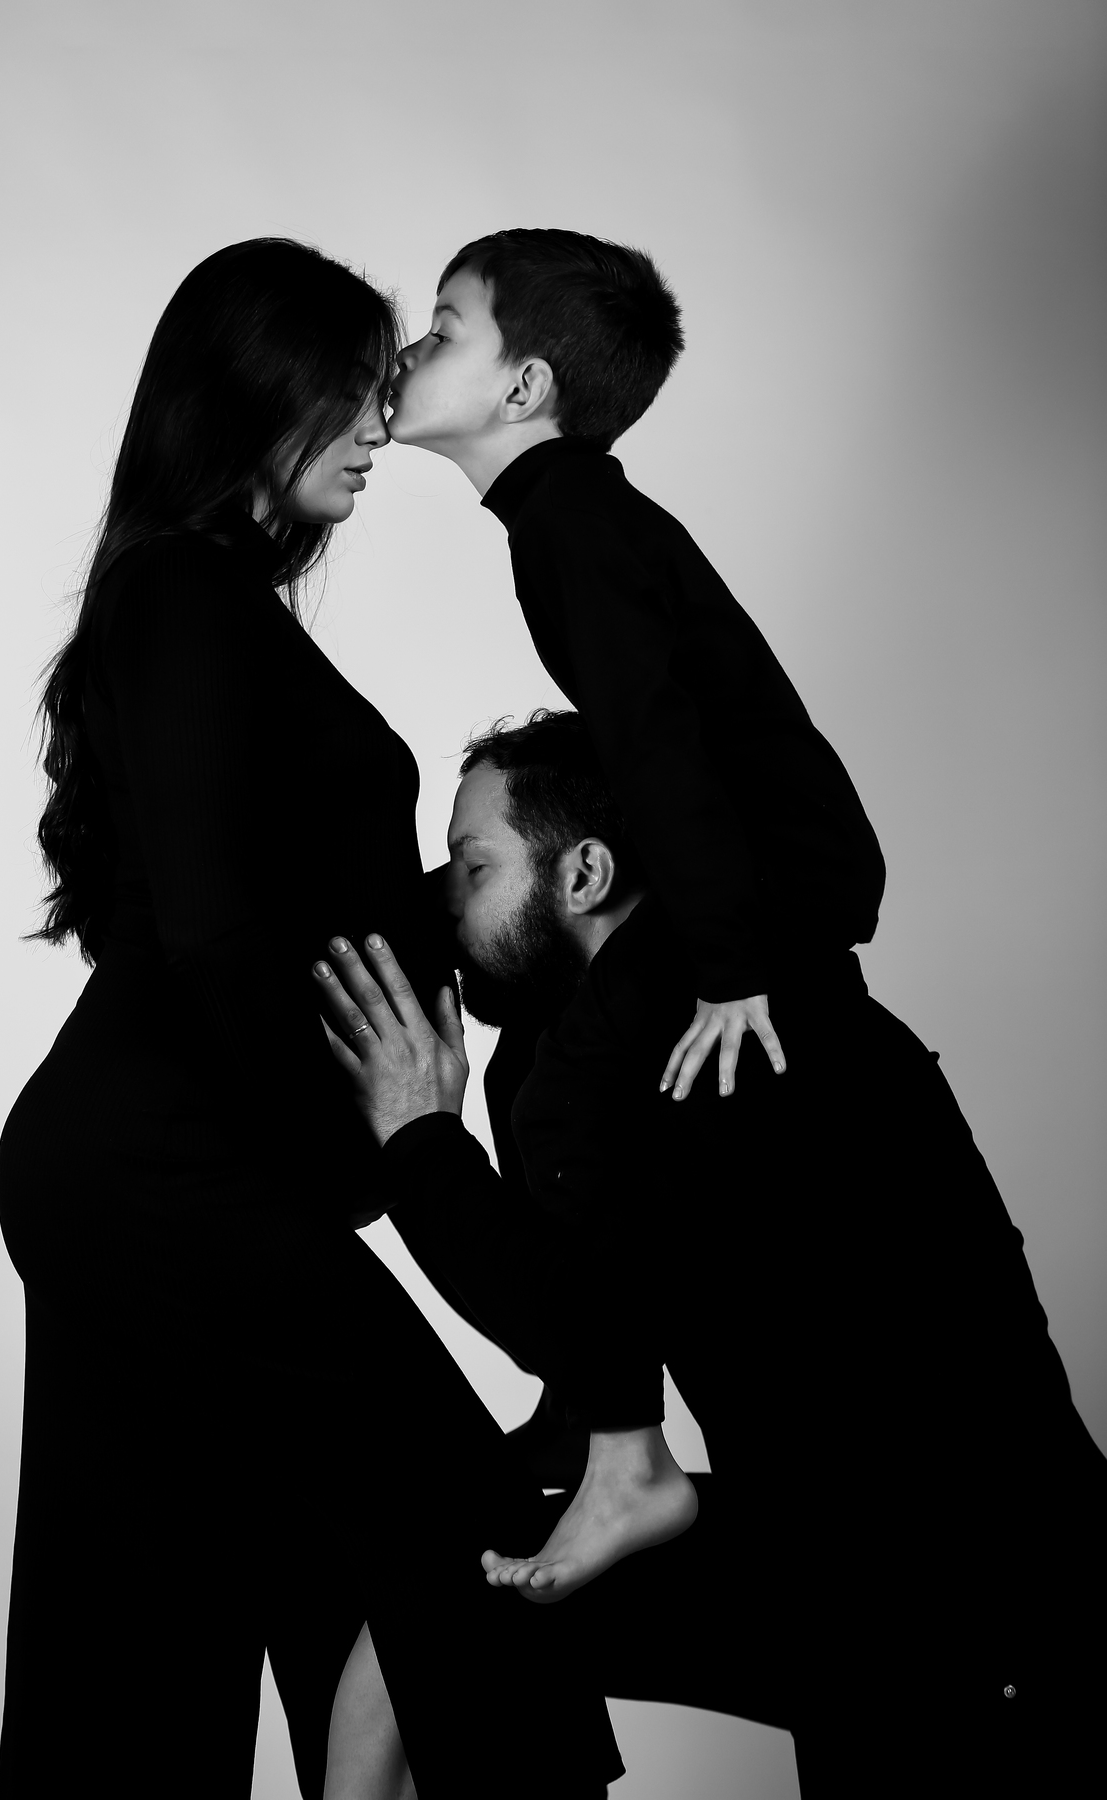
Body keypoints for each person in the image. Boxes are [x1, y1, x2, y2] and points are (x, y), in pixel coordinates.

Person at [0, 241, 621, 1800]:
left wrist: (497, 908)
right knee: (455, 1524)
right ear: (244, 400)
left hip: (157, 1168)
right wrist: (378, 1143)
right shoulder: (177, 595)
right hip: (162, 1174)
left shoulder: (215, 606)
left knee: (157, 1612)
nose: (377, 422)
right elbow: (217, 936)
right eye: (343, 393)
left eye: (378, 387)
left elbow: (271, 913)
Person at [312, 709, 1107, 1798]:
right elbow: (604, 1344)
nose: (441, 897)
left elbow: (582, 1320)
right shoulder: (618, 1044)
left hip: (976, 1606)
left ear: (585, 874)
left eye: (472, 864)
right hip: (852, 1563)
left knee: (437, 1604)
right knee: (432, 1602)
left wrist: (418, 1137)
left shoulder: (720, 1046)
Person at [382, 224, 888, 1573]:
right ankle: (584, 1405)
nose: (408, 351)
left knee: (560, 1098)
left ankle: (627, 1458)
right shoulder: (563, 517)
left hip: (770, 891)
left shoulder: (573, 527)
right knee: (530, 1061)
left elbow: (659, 748)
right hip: (734, 876)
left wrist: (729, 967)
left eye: (442, 329)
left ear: (525, 387)